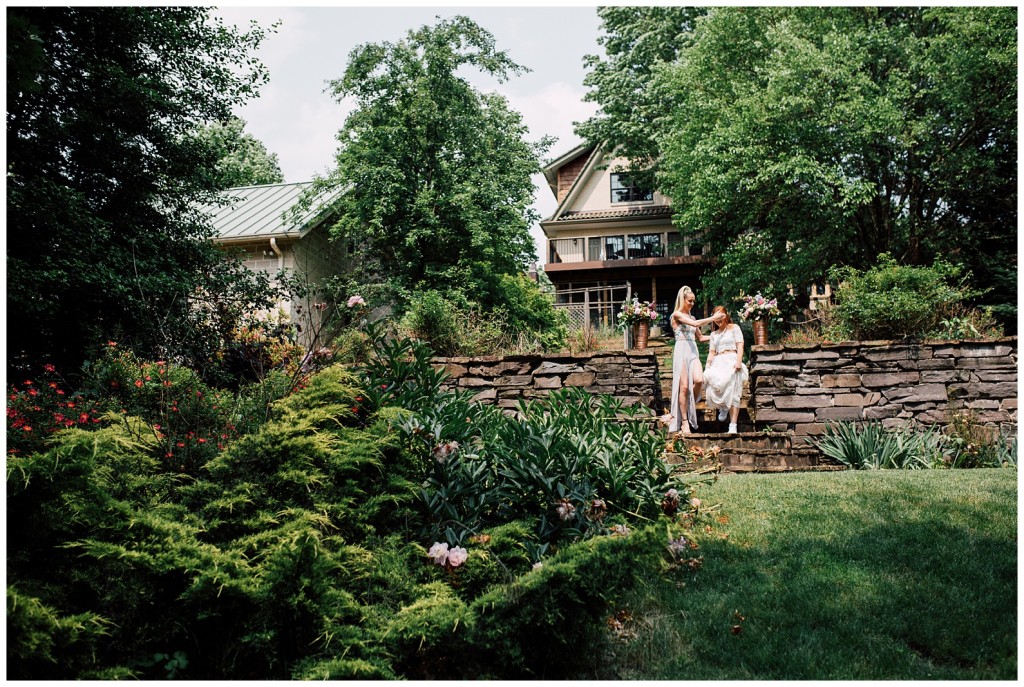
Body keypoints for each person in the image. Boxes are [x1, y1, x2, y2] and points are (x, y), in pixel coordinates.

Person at [663, 286, 724, 434]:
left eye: (694, 301)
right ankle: (684, 421)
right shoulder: (676, 315)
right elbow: (696, 325)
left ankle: (689, 403)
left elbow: (701, 337)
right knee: (683, 387)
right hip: (681, 351)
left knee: (698, 380)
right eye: (690, 301)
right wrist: (713, 318)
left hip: (693, 351)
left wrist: (720, 335)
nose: (692, 304)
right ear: (682, 299)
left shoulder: (693, 318)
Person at [703, 305, 749, 434]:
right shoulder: (713, 334)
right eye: (716, 317)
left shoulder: (734, 328)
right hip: (718, 361)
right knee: (715, 385)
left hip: (732, 360)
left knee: (734, 393)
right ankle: (723, 406)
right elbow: (712, 352)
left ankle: (733, 424)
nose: (719, 319)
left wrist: (739, 361)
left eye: (721, 316)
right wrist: (708, 365)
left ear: (726, 315)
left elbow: (740, 345)